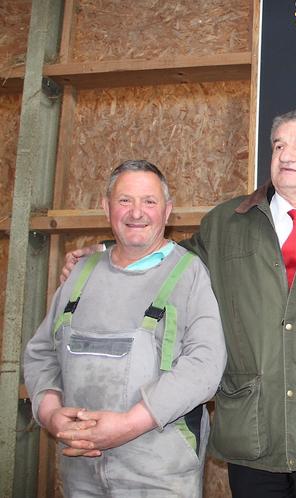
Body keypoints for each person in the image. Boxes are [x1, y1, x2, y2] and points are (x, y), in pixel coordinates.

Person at [64, 110, 296, 497]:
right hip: (253, 434)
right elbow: (169, 262)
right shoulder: (226, 223)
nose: (286, 155)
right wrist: (112, 251)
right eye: (278, 145)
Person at [24, 160, 226, 497]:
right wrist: (52, 415)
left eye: (149, 201)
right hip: (81, 473)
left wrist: (129, 425)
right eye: (124, 201)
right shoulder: (80, 273)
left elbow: (205, 366)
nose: (137, 212)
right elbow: (41, 353)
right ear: (106, 208)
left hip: (160, 475)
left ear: (168, 211)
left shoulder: (189, 274)